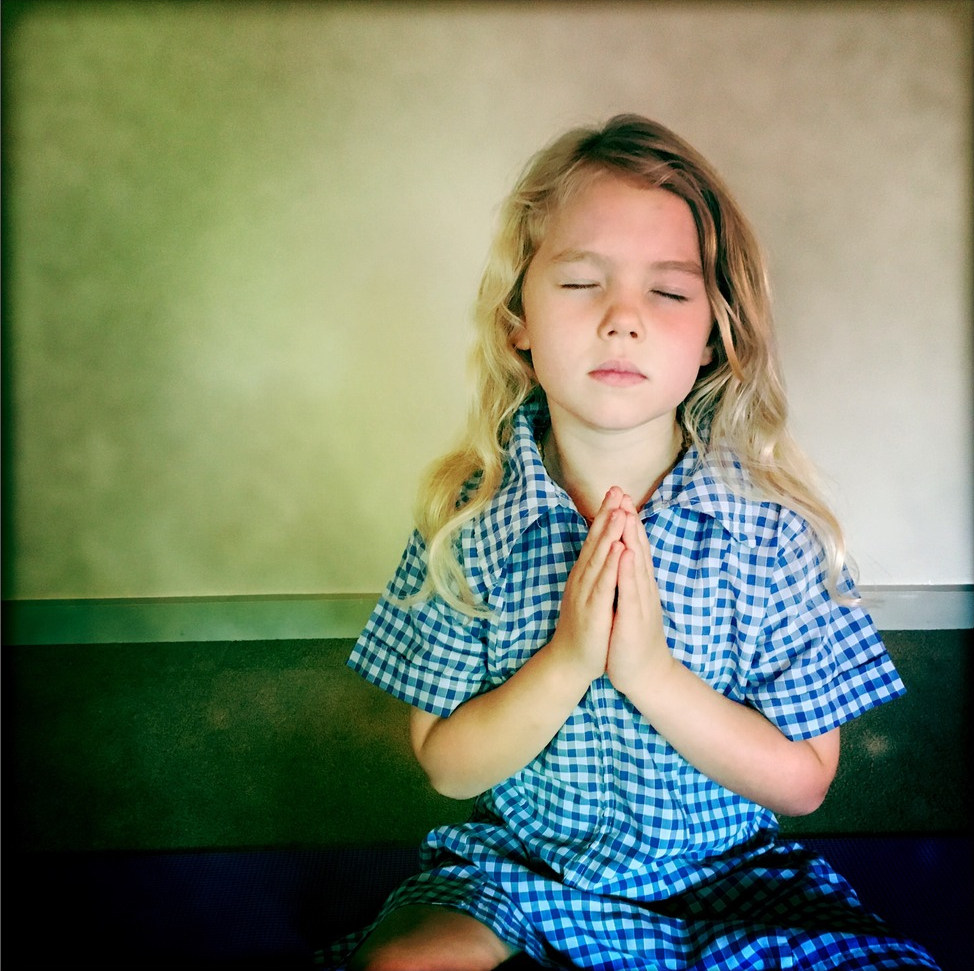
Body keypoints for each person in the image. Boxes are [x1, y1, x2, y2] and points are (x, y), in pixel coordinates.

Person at [327, 115, 940, 970]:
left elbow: (803, 780)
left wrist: (648, 670)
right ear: (518, 323)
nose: (623, 319)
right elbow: (448, 767)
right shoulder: (465, 521)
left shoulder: (771, 530)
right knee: (402, 964)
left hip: (737, 882)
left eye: (669, 291)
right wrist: (570, 658)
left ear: (714, 336)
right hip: (520, 876)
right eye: (581, 282)